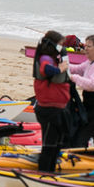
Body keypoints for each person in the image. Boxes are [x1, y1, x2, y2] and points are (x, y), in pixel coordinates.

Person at [32, 30, 71, 173]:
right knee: (49, 146)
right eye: (61, 44)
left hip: (58, 108)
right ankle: (43, 173)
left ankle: (51, 172)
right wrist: (60, 68)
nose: (62, 47)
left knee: (57, 145)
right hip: (49, 110)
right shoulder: (45, 58)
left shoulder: (54, 58)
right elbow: (46, 70)